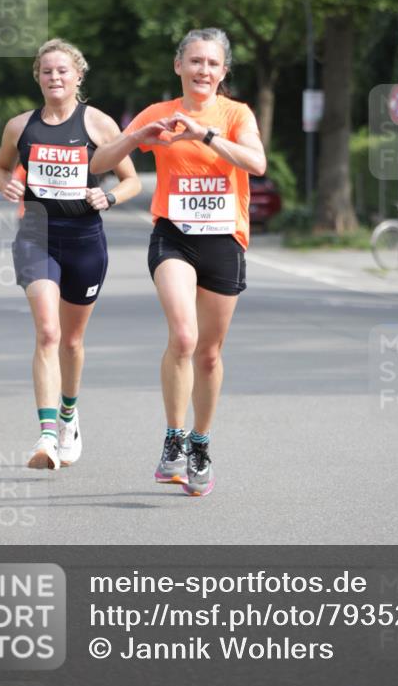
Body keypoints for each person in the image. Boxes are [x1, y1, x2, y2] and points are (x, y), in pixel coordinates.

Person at [91, 28, 266, 497]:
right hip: (174, 236)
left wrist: (206, 134)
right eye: (194, 61)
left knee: (209, 352)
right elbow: (98, 162)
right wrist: (138, 138)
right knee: (184, 337)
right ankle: (174, 436)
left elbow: (256, 163)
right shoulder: (159, 113)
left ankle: (201, 444)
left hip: (224, 239)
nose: (202, 70)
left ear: (223, 72)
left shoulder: (235, 114)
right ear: (178, 66)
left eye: (212, 63)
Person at [0, 39, 141, 470]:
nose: (54, 78)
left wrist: (108, 197)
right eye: (46, 71)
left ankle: (69, 415)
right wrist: (5, 183)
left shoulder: (98, 124)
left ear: (78, 76)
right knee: (48, 333)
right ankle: (46, 435)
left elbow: (131, 180)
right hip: (36, 234)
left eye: (62, 71)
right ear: (37, 77)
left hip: (84, 240)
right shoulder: (20, 127)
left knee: (72, 341)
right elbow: (0, 166)